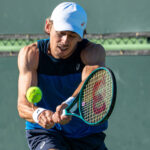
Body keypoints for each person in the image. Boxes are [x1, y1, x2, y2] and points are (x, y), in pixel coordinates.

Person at [17, 2, 108, 150]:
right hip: (46, 133)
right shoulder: (31, 55)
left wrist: (70, 106)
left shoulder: (93, 53)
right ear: (48, 27)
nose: (65, 40)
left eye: (72, 35)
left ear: (82, 36)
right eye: (61, 33)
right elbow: (23, 106)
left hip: (86, 134)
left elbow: (89, 84)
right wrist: (38, 114)